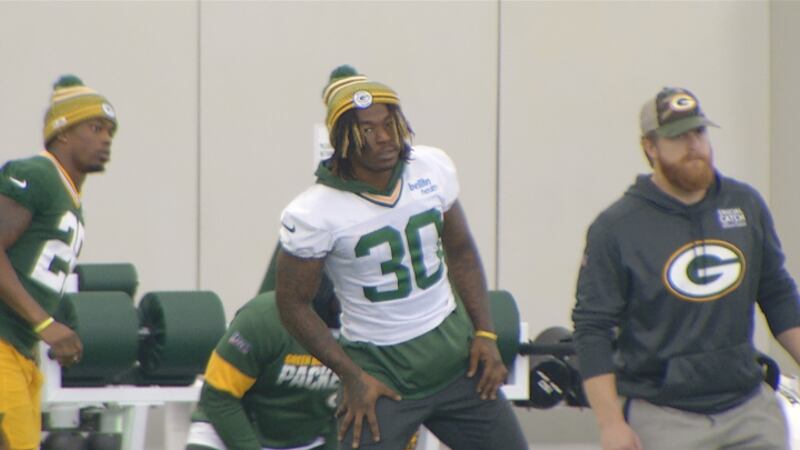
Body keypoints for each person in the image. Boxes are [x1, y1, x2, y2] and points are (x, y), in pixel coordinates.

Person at [275, 65, 527, 450]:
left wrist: (485, 332)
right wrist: (350, 374)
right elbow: (292, 304)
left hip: (456, 363)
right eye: (368, 130)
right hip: (381, 375)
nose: (384, 138)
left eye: (389, 124)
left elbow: (460, 251)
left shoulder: (430, 168)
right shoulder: (314, 212)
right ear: (342, 139)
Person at [572, 86, 800, 450]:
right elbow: (593, 329)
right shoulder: (617, 228)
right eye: (678, 136)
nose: (693, 144)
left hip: (748, 407)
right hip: (664, 413)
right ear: (650, 146)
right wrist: (610, 423)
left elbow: (777, 293)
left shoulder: (745, 206)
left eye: (699, 132)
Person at [0, 75, 117, 450]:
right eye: (95, 127)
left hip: (22, 351)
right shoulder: (37, 174)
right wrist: (45, 323)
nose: (106, 138)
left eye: (110, 131)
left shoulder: (69, 195)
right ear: (62, 132)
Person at [185, 286, 341, 450]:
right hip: (228, 430)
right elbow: (217, 395)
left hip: (307, 438)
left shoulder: (363, 330)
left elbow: (350, 412)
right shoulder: (264, 316)